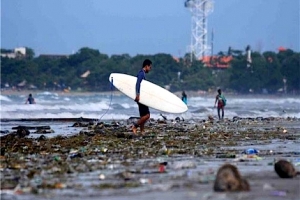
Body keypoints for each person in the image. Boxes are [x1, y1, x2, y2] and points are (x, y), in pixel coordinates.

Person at [132, 59, 152, 135]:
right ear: (146, 66)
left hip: (141, 97)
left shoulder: (142, 73)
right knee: (147, 115)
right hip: (140, 97)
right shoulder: (141, 73)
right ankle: (135, 126)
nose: (150, 69)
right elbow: (138, 83)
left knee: (143, 115)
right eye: (150, 67)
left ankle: (142, 130)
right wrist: (138, 94)